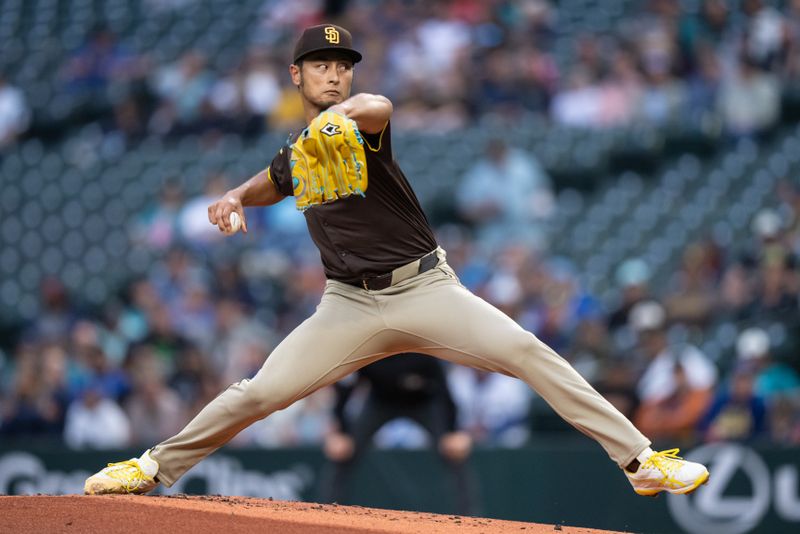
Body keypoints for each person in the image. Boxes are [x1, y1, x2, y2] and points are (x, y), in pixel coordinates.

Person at [85, 24, 709, 500]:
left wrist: (342, 117)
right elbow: (277, 177)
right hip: (347, 304)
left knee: (528, 352)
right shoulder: (299, 150)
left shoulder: (359, 124)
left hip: (424, 288)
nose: (333, 74)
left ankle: (640, 462)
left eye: (341, 66)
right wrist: (235, 195)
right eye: (319, 65)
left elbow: (378, 107)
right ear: (295, 75)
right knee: (260, 392)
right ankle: (153, 467)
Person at [318, 353, 475, 514]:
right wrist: (342, 432)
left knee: (453, 453)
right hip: (380, 403)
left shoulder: (423, 355)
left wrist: (452, 430)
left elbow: (444, 392)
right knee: (345, 452)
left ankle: (471, 518)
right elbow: (346, 389)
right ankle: (327, 513)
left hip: (423, 404)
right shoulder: (371, 353)